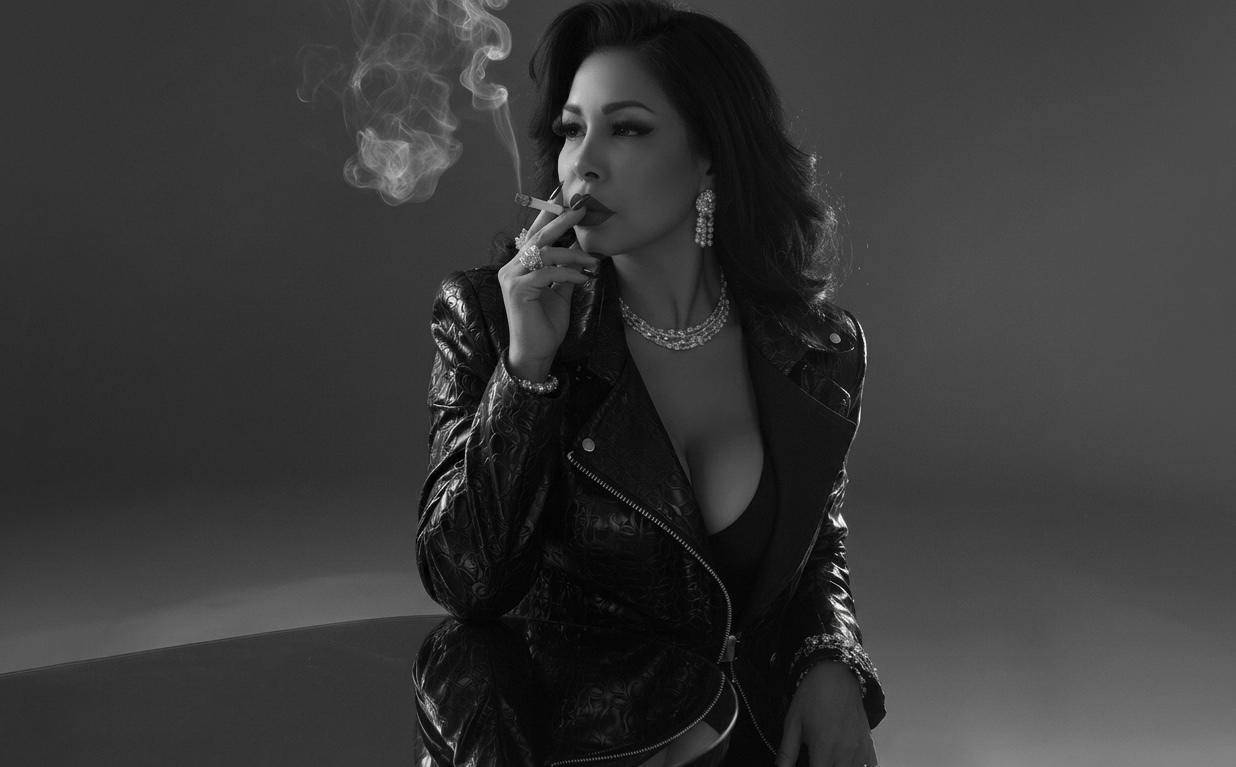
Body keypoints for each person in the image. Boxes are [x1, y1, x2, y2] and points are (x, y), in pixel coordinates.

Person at [416, 1, 885, 764]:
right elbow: (463, 582)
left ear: (711, 158)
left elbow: (812, 543)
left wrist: (830, 656)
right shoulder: (492, 319)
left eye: (627, 129)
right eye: (572, 129)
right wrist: (526, 373)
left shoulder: (815, 348)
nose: (583, 164)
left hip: (748, 740)